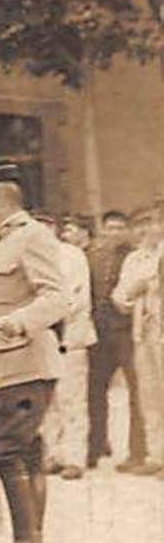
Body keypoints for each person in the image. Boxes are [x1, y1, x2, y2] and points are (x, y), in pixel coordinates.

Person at [0, 161, 72, 543]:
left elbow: (57, 298)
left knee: (6, 451)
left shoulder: (32, 237)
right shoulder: (3, 243)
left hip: (23, 363)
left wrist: (19, 321)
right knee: (25, 454)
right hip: (4, 367)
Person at [88, 209, 146, 470]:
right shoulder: (93, 258)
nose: (114, 233)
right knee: (94, 390)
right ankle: (97, 444)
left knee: (137, 391)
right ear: (102, 230)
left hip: (126, 332)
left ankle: (138, 451)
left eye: (119, 228)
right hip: (98, 334)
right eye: (110, 228)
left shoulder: (135, 258)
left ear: (127, 231)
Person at [42, 214, 96, 479]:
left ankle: (75, 457)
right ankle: (52, 453)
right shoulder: (32, 256)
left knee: (72, 398)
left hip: (69, 335)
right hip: (42, 337)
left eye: (44, 225)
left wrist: (45, 313)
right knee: (48, 400)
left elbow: (74, 298)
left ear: (53, 227)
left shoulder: (71, 255)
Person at [112, 203, 163, 476]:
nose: (149, 229)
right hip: (143, 334)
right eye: (142, 224)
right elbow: (119, 297)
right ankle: (157, 456)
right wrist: (134, 291)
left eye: (154, 223)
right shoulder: (135, 259)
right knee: (150, 396)